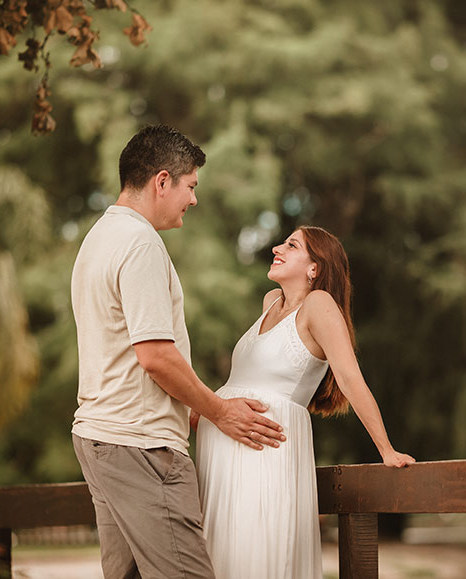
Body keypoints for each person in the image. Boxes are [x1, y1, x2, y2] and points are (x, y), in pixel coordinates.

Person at [70, 125, 286, 579]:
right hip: (141, 446)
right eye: (190, 187)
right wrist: (217, 410)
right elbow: (155, 356)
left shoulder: (98, 238)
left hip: (101, 437)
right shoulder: (141, 243)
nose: (193, 200)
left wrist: (183, 405)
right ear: (162, 181)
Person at [194, 225, 415, 579]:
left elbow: (349, 378)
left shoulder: (319, 304)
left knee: (258, 554)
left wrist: (386, 449)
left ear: (315, 268)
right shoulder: (270, 302)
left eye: (291, 245)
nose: (277, 249)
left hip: (264, 453)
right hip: (221, 455)